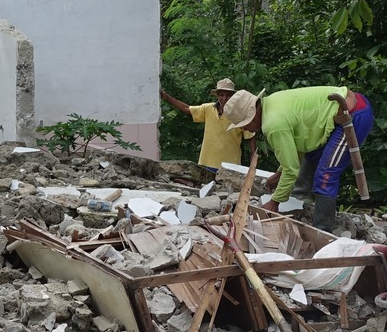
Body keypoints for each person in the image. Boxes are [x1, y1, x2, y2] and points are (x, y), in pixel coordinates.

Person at [222, 85, 374, 233]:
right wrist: (279, 173)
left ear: (252, 115)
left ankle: (322, 232)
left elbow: (291, 170)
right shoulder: (271, 103)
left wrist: (274, 202)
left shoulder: (273, 124)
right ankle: (299, 202)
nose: (244, 129)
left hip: (352, 116)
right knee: (311, 155)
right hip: (350, 106)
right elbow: (299, 148)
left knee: (325, 176)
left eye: (243, 124)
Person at [160, 78, 252, 173]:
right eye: (221, 95)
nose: (224, 98)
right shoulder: (208, 109)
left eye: (228, 95)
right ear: (217, 96)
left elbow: (250, 135)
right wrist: (166, 97)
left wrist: (253, 159)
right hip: (207, 162)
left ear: (233, 97)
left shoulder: (240, 114)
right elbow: (187, 109)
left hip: (231, 164)